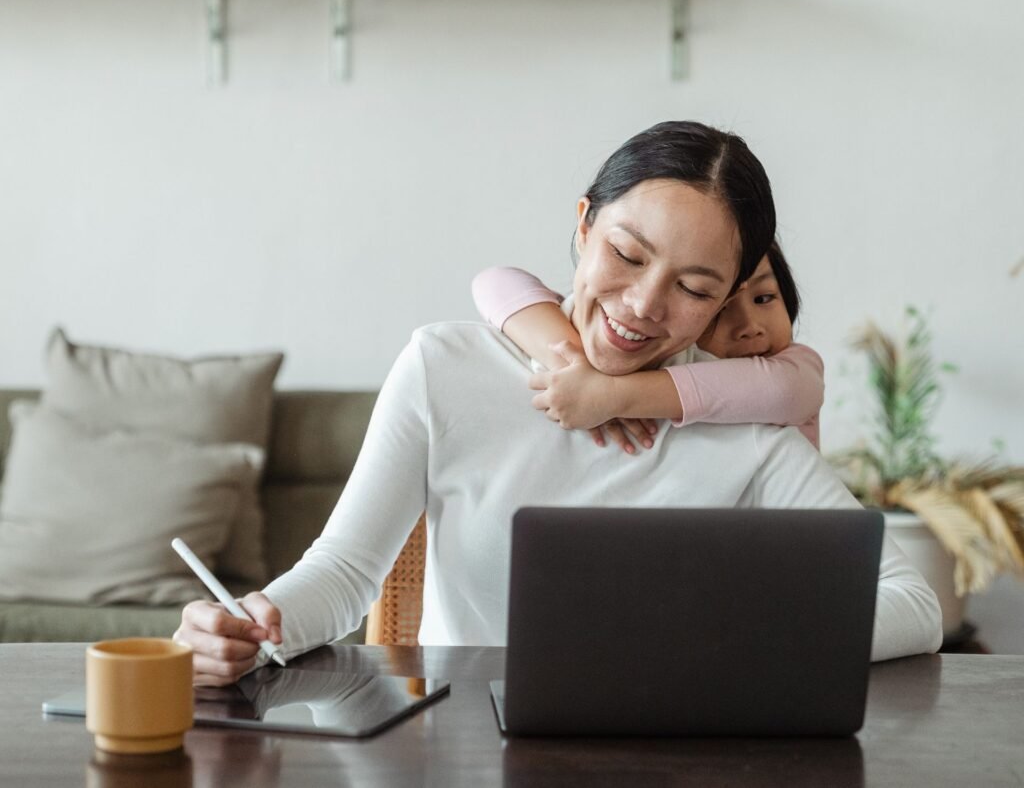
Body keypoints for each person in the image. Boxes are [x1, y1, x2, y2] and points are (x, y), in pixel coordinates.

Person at [175, 121, 942, 686]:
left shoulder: (743, 423)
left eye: (695, 288)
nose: (643, 305)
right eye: (627, 255)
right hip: (463, 752)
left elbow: (913, 604)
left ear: (727, 301)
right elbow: (344, 574)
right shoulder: (445, 367)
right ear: (582, 227)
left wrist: (743, 639)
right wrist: (249, 623)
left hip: (673, 758)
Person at [471, 239, 824, 451]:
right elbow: (495, 281)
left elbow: (783, 392)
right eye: (721, 311)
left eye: (765, 298)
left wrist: (610, 395)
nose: (750, 327)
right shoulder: (669, 359)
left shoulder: (796, 368)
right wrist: (572, 364)